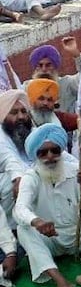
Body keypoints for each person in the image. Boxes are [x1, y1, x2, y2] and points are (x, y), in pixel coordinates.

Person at [13, 124, 81, 287]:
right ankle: (61, 281)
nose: (50, 157)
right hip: (50, 238)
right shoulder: (31, 176)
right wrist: (37, 222)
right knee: (23, 230)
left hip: (79, 234)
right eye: (43, 152)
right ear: (36, 155)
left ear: (61, 151)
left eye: (55, 150)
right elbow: (20, 208)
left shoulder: (77, 172)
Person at [0, 90, 34, 226]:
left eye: (24, 111)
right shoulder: (1, 135)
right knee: (10, 182)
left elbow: (56, 151)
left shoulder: (31, 131)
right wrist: (18, 177)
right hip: (12, 184)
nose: (21, 117)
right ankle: (13, 229)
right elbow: (8, 157)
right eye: (14, 113)